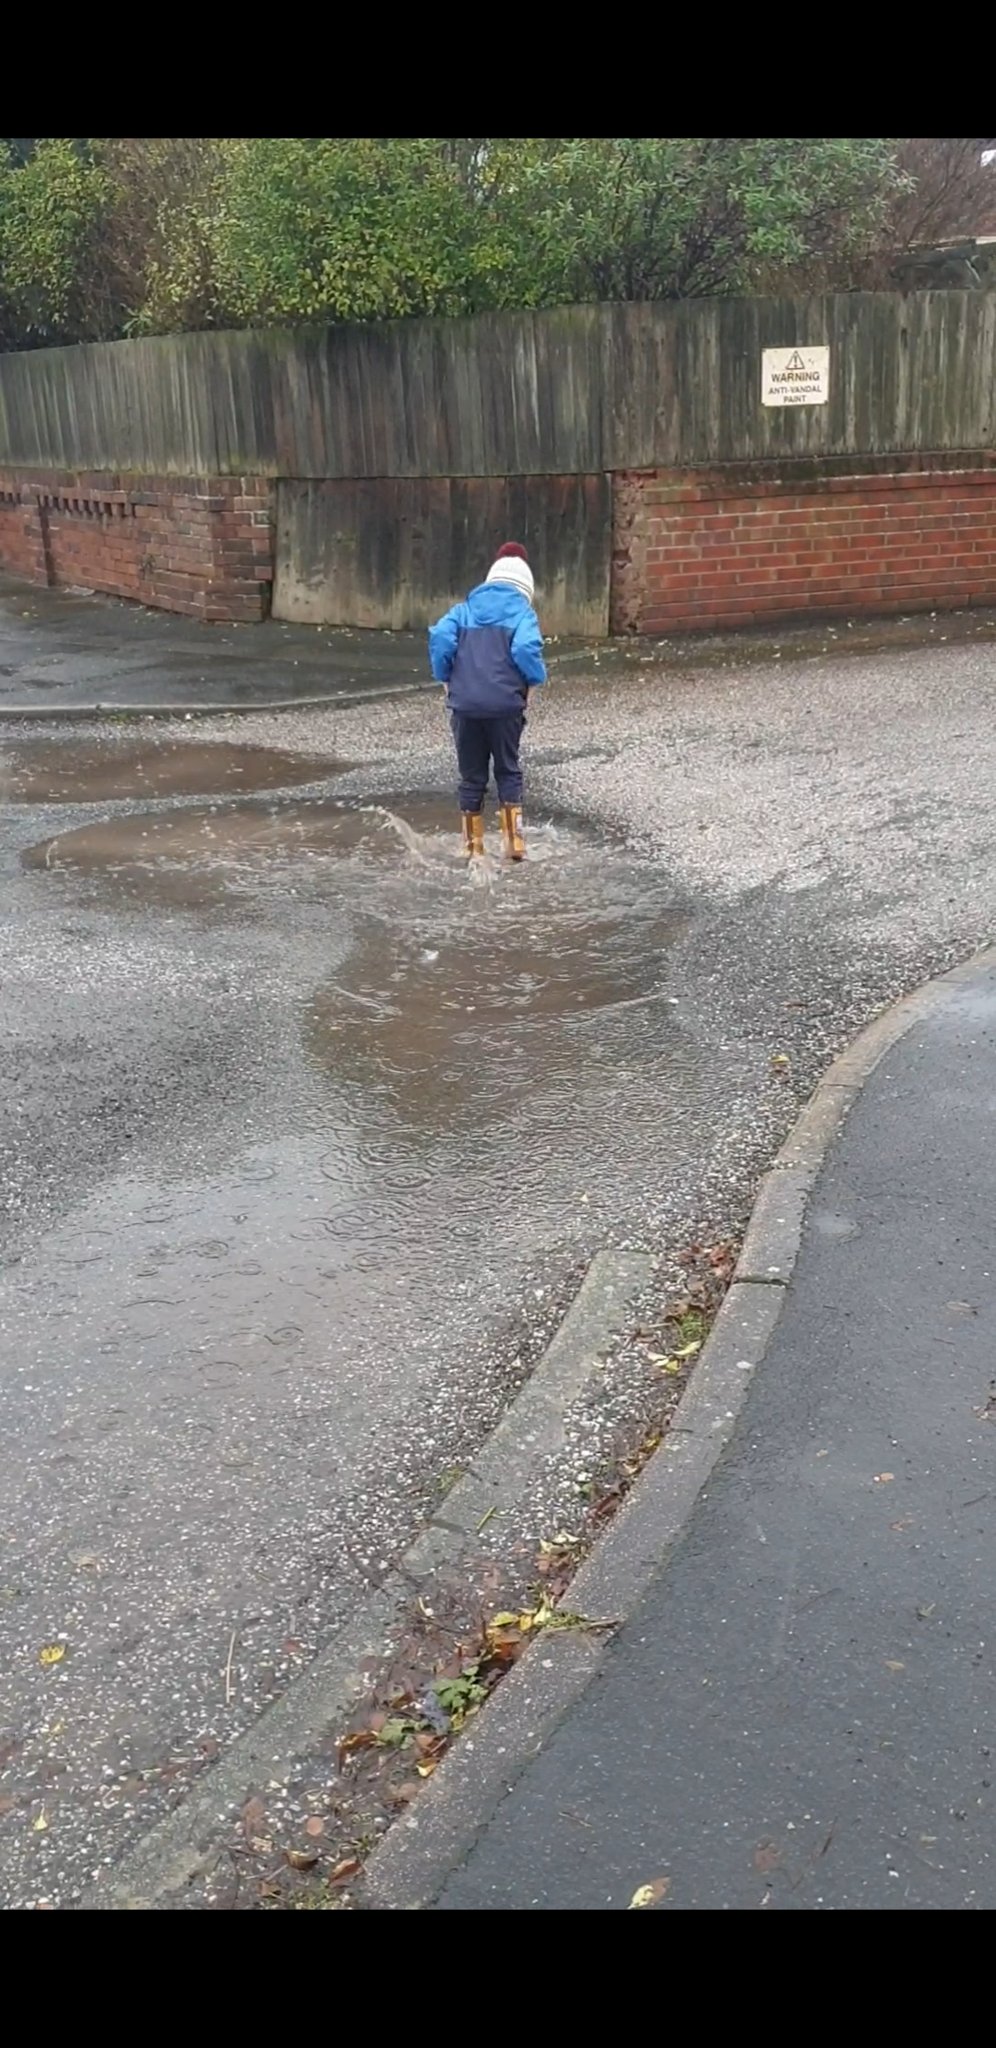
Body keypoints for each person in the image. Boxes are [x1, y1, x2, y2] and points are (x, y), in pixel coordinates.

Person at [428, 542, 547, 860]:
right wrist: (533, 680)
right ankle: (515, 844)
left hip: (464, 706)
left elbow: (440, 637)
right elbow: (525, 649)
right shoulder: (524, 614)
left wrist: (445, 677)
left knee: (471, 776)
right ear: (525, 587)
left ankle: (471, 847)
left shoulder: (462, 611)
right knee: (508, 770)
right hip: (506, 706)